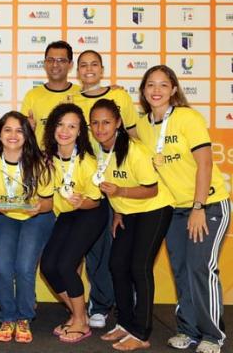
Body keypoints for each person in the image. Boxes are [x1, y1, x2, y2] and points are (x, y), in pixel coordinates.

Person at [136, 66, 231, 353]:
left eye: (163, 85)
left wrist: (198, 207)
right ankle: (188, 330)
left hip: (208, 204)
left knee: (201, 268)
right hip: (174, 210)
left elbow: (205, 163)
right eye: (150, 85)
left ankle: (213, 335)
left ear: (174, 90)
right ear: (143, 91)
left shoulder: (187, 117)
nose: (156, 90)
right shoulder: (143, 126)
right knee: (181, 270)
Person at [89, 98, 174, 351]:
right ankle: (125, 324)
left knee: (139, 267)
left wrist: (120, 192)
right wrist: (117, 212)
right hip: (127, 212)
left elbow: (150, 190)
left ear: (117, 123)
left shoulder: (134, 151)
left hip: (155, 208)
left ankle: (141, 331)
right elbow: (109, 186)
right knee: (116, 264)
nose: (101, 127)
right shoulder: (98, 148)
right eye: (95, 123)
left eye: (106, 122)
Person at [73, 49, 139, 329]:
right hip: (90, 183)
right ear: (78, 71)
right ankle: (99, 303)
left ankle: (128, 299)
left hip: (120, 182)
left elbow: (135, 136)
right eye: (84, 65)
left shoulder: (120, 96)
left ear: (102, 68)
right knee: (96, 247)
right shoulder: (73, 99)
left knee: (122, 245)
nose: (89, 69)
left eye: (94, 65)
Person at [0, 111, 55, 343]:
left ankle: (24, 317)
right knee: (2, 268)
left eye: (19, 130)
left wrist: (37, 208)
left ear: (27, 135)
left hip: (36, 218)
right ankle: (7, 317)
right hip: (4, 216)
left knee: (23, 267)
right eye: (7, 130)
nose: (13, 135)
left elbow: (48, 203)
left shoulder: (40, 161)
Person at [39, 103, 103, 343]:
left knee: (66, 265)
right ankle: (80, 315)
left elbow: (95, 202)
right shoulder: (48, 158)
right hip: (66, 215)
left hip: (90, 213)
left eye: (72, 126)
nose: (64, 131)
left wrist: (81, 202)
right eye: (60, 124)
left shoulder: (86, 161)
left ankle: (79, 322)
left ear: (79, 132)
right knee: (48, 266)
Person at [20, 40, 80, 144]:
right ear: (44, 63)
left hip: (74, 158)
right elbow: (22, 133)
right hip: (41, 159)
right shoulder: (32, 96)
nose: (55, 64)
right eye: (50, 60)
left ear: (70, 65)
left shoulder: (81, 93)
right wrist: (28, 129)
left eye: (61, 60)